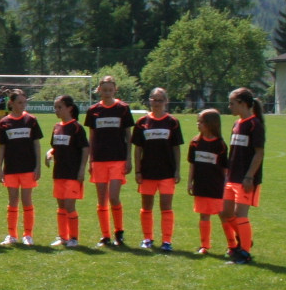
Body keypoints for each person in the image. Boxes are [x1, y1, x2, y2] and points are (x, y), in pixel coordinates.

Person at [132, 88, 184, 252]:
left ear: (166, 102)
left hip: (167, 172)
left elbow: (176, 148)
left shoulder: (172, 122)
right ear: (149, 100)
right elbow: (138, 149)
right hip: (147, 172)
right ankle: (147, 238)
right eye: (154, 99)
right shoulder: (142, 122)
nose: (156, 103)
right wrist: (138, 171)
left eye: (160, 100)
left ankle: (167, 241)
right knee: (146, 206)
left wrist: (177, 170)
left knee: (166, 207)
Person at [85, 74, 134, 246]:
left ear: (115, 90)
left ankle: (119, 232)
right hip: (99, 159)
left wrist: (129, 158)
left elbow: (128, 136)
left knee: (113, 197)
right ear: (99, 90)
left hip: (117, 158)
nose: (107, 93)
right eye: (104, 90)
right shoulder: (93, 110)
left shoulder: (123, 108)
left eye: (110, 90)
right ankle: (105, 235)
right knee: (101, 200)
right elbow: (91, 137)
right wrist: (90, 160)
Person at [222, 87, 265, 264]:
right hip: (231, 177)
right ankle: (244, 238)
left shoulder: (255, 125)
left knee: (240, 215)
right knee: (225, 212)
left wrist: (249, 177)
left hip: (245, 178)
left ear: (242, 104)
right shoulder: (236, 124)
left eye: (232, 103)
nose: (229, 106)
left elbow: (259, 153)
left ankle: (244, 252)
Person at [0, 88, 42, 245]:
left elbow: (36, 144)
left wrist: (38, 166)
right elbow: (1, 147)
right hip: (11, 168)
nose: (23, 105)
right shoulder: (4, 123)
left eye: (24, 102)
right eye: (20, 102)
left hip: (28, 167)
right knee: (13, 201)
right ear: (11, 103)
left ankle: (28, 235)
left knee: (27, 200)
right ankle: (12, 235)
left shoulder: (31, 120)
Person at [44, 94, 87, 247]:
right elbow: (55, 147)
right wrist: (49, 153)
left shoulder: (76, 127)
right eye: (55, 107)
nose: (56, 110)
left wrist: (82, 170)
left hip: (72, 173)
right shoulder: (57, 127)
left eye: (59, 107)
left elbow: (85, 149)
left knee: (69, 206)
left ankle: (73, 238)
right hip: (59, 172)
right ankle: (63, 237)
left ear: (69, 108)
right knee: (61, 206)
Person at [187, 109, 228, 255]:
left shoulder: (220, 145)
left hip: (216, 186)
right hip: (201, 184)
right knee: (204, 215)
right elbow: (192, 164)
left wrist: (225, 186)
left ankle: (233, 244)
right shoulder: (195, 142)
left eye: (201, 122)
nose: (198, 124)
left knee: (223, 215)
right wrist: (190, 182)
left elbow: (224, 168)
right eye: (198, 121)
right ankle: (204, 245)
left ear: (211, 124)